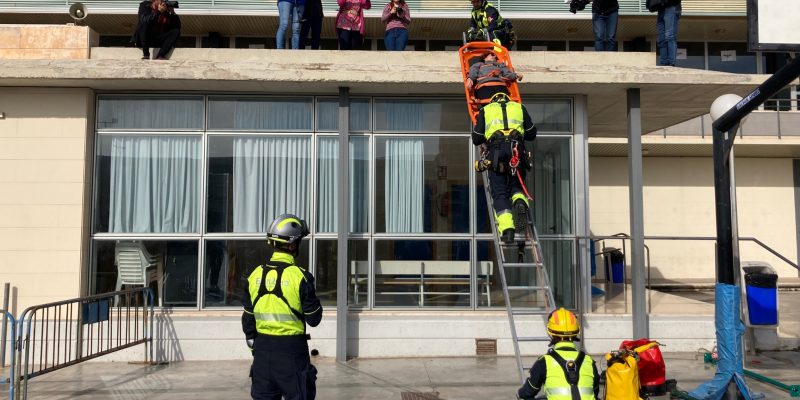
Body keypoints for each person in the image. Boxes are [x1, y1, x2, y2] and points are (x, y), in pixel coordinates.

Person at [242, 214, 323, 400]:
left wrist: (257, 349)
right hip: (291, 354)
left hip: (262, 355)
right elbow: (314, 319)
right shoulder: (301, 277)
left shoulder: (255, 275)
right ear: (293, 245)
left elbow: (248, 321)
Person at [472, 92, 536, 244]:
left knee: (500, 193)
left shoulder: (485, 110)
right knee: (516, 186)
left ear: (492, 100)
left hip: (496, 152)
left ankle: (508, 231)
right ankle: (520, 203)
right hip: (517, 151)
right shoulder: (520, 107)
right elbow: (531, 134)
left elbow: (476, 138)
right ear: (508, 98)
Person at [517, 308, 600, 400]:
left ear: (550, 332)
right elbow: (595, 391)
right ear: (576, 332)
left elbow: (526, 393)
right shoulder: (588, 361)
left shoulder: (544, 362)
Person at [656, 0, 681, 66]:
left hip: (671, 7)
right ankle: (663, 62)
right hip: (661, 9)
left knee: (669, 36)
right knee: (661, 39)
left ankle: (671, 62)